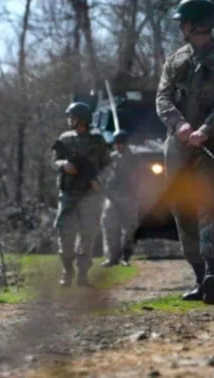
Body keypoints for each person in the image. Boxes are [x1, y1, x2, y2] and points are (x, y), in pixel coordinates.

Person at [156, 0, 214, 305]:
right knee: (182, 209)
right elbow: (163, 98)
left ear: (198, 24)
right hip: (178, 147)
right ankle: (198, 278)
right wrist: (179, 124)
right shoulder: (175, 60)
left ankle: (213, 275)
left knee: (212, 205)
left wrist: (205, 130)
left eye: (184, 22)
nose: (181, 27)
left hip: (213, 145)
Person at [51, 101, 110, 287]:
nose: (70, 120)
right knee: (65, 233)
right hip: (68, 193)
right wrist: (64, 165)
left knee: (87, 235)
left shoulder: (97, 141)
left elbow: (107, 165)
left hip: (90, 195)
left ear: (83, 120)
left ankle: (83, 274)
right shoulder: (65, 139)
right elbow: (54, 161)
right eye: (69, 117)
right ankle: (67, 271)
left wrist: (99, 180)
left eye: (73, 117)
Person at [100, 130, 139, 267]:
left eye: (121, 143)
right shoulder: (111, 158)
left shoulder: (134, 158)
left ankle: (125, 257)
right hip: (112, 196)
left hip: (129, 196)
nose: (119, 146)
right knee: (109, 226)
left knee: (129, 229)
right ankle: (112, 257)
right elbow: (103, 174)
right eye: (117, 143)